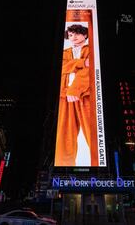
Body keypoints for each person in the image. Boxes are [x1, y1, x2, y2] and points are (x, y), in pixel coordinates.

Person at [55, 24, 91, 166]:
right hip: (64, 97)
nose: (73, 37)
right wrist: (82, 62)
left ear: (85, 35)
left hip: (85, 95)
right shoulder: (64, 52)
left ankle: (100, 171)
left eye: (77, 33)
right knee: (64, 136)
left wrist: (74, 90)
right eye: (70, 35)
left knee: (93, 131)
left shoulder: (91, 50)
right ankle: (64, 171)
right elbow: (61, 67)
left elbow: (90, 70)